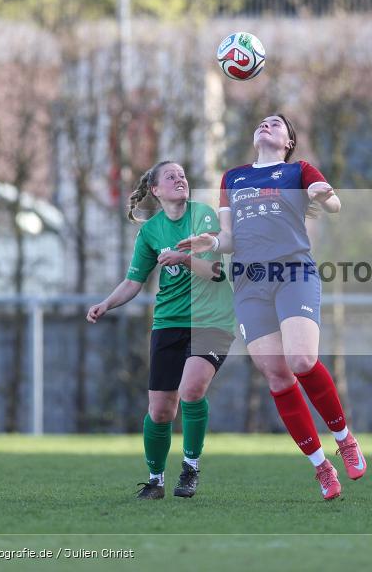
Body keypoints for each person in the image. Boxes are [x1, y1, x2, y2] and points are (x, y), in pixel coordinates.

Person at [177, 114, 366, 501]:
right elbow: (229, 237)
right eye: (263, 122)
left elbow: (335, 205)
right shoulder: (234, 177)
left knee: (301, 359)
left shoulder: (298, 170)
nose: (267, 125)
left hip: (293, 272)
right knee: (278, 377)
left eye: (276, 124)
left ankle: (345, 440)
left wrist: (322, 195)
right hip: (248, 283)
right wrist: (209, 243)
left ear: (288, 142)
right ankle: (321, 468)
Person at [86, 160, 236, 499]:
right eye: (171, 176)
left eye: (183, 174)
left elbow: (215, 271)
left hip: (211, 320)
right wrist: (105, 304)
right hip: (168, 322)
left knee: (192, 389)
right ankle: (155, 480)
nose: (180, 179)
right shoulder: (151, 231)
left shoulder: (203, 216)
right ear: (155, 190)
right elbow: (133, 281)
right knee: (161, 410)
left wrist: (183, 258)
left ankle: (190, 468)